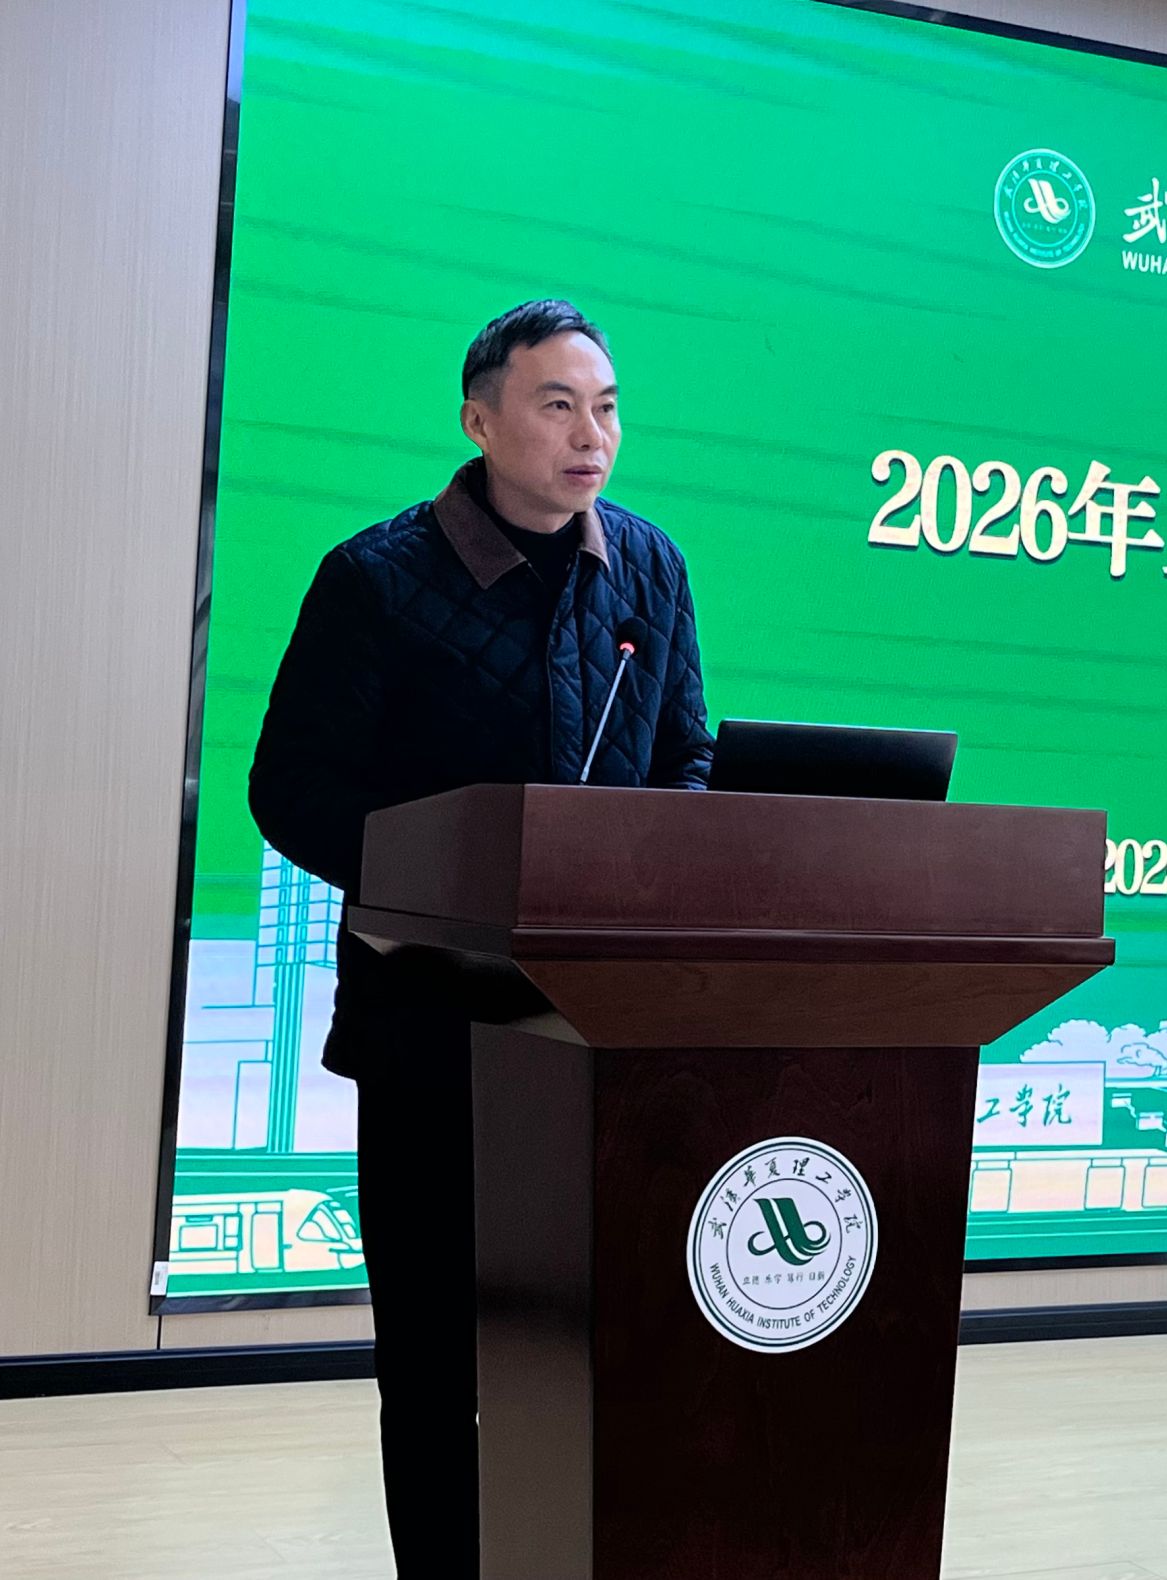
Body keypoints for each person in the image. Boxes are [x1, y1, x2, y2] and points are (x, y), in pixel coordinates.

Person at [248, 299, 712, 1578]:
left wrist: (644, 866)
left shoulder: (650, 570)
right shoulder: (376, 578)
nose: (590, 434)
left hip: (601, 1040)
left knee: (593, 1351)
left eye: (606, 408)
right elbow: (291, 789)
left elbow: (685, 755)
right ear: (479, 420)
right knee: (438, 1366)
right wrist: (452, 885)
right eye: (558, 405)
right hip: (430, 1033)